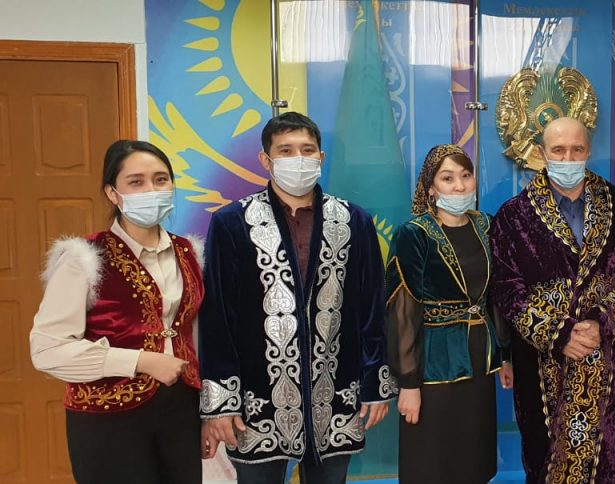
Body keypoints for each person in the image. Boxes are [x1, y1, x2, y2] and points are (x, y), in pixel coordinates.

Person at [199, 112, 394, 484]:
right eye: (286, 151)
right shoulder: (232, 223)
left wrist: (375, 384)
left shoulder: (353, 220)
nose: (298, 159)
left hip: (336, 390)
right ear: (266, 160)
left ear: (321, 157)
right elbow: (218, 319)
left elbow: (372, 309)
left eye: (307, 150)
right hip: (257, 397)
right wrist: (221, 403)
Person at [490, 117, 615, 483]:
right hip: (543, 368)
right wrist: (559, 333)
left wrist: (602, 322)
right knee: (544, 461)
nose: (568, 158)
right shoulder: (513, 217)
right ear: (542, 153)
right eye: (558, 150)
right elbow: (506, 288)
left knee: (608, 464)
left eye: (576, 150)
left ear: (589, 151)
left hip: (610, 365)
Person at [30, 140, 204, 484]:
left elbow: (196, 333)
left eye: (160, 179)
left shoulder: (189, 252)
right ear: (113, 193)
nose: (151, 190)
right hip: (108, 416)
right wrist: (139, 360)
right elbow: (46, 349)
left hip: (180, 413)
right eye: (136, 182)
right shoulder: (84, 258)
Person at [386, 144, 514, 483]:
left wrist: (504, 355)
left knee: (472, 456)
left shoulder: (486, 225)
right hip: (433, 364)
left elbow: (496, 295)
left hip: (479, 359)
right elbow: (403, 310)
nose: (459, 186)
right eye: (447, 178)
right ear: (431, 187)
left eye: (465, 175)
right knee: (432, 460)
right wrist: (408, 383)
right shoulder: (414, 234)